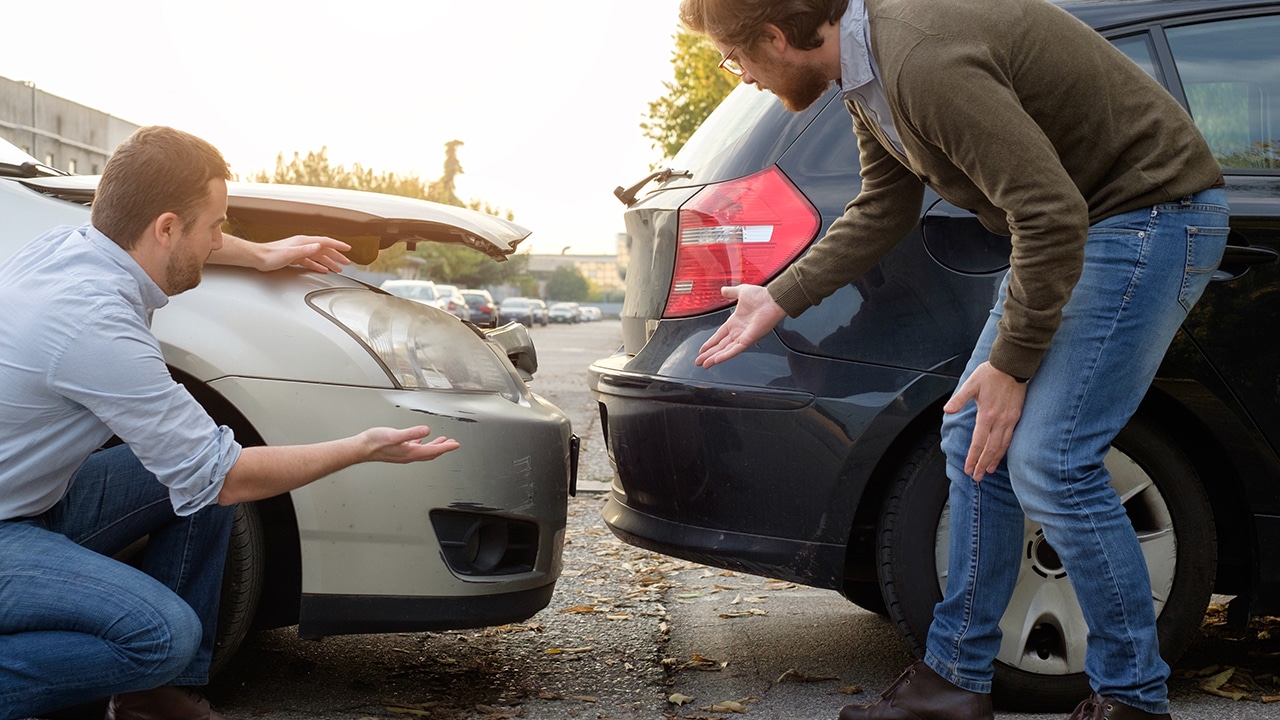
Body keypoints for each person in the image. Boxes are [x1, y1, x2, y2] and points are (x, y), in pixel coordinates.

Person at [680, 0, 1228, 718]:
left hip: (1144, 217)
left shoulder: (920, 58)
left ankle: (1131, 698)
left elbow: (1047, 211)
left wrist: (1012, 364)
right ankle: (953, 682)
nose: (741, 76)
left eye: (734, 57)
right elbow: (886, 204)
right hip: (1084, 228)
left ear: (778, 36)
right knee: (974, 439)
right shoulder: (865, 71)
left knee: (1052, 462)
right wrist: (780, 297)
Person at [0, 126, 461, 720]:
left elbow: (204, 478)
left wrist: (264, 254)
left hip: (32, 504)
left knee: (193, 479)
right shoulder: (94, 323)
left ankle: (149, 699)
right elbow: (226, 478)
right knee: (162, 634)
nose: (222, 238)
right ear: (166, 228)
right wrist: (359, 447)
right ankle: (137, 671)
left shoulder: (68, 248)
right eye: (216, 225)